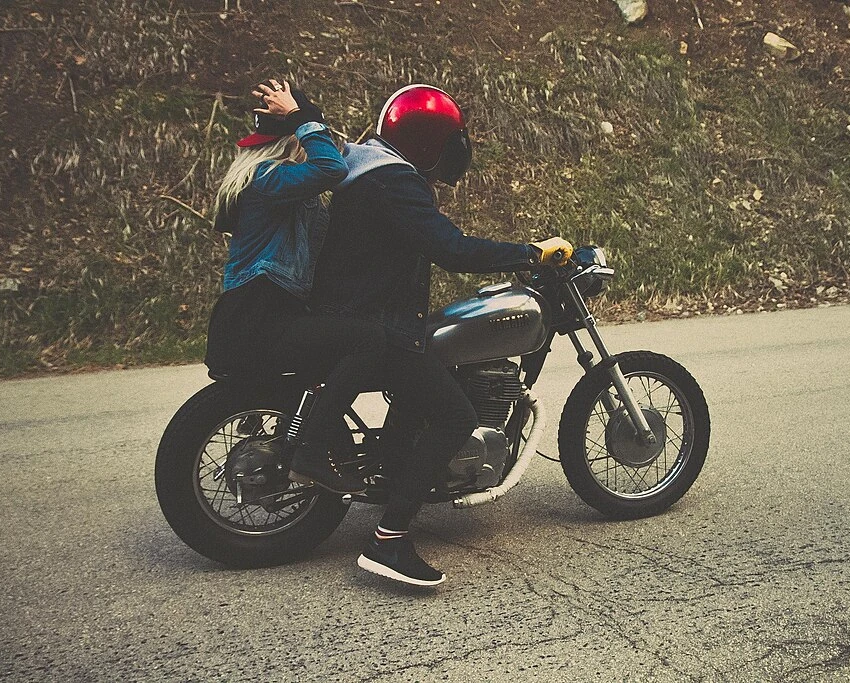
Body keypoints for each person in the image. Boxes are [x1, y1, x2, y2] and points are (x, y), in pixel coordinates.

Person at [306, 84, 573, 586]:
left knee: (424, 388)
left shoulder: (368, 172)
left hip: (365, 318)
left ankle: (398, 472)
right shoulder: (394, 182)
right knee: (455, 415)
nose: (459, 150)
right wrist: (528, 252)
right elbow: (449, 248)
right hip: (378, 327)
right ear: (430, 144)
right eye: (452, 139)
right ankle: (390, 539)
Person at [204, 78, 385, 495]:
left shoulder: (286, 195)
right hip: (258, 315)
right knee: (369, 342)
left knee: (352, 337)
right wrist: (306, 119)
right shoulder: (267, 180)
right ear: (293, 142)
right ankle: (311, 452)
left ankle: (319, 443)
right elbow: (331, 167)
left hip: (263, 312)